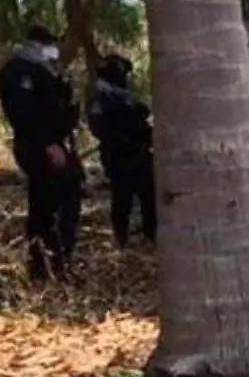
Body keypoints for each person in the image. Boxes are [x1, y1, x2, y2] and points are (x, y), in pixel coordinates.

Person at [0, 24, 83, 282]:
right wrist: (47, 144)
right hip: (40, 147)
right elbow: (23, 114)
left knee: (54, 203)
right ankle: (48, 267)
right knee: (51, 207)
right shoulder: (19, 71)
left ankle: (52, 267)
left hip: (54, 143)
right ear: (37, 44)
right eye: (50, 43)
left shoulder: (42, 70)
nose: (54, 49)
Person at [87, 53, 156, 249]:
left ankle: (150, 235)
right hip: (119, 156)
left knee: (149, 195)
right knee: (122, 199)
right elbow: (99, 127)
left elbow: (139, 122)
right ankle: (121, 239)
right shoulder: (102, 98)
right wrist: (123, 140)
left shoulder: (124, 97)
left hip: (140, 153)